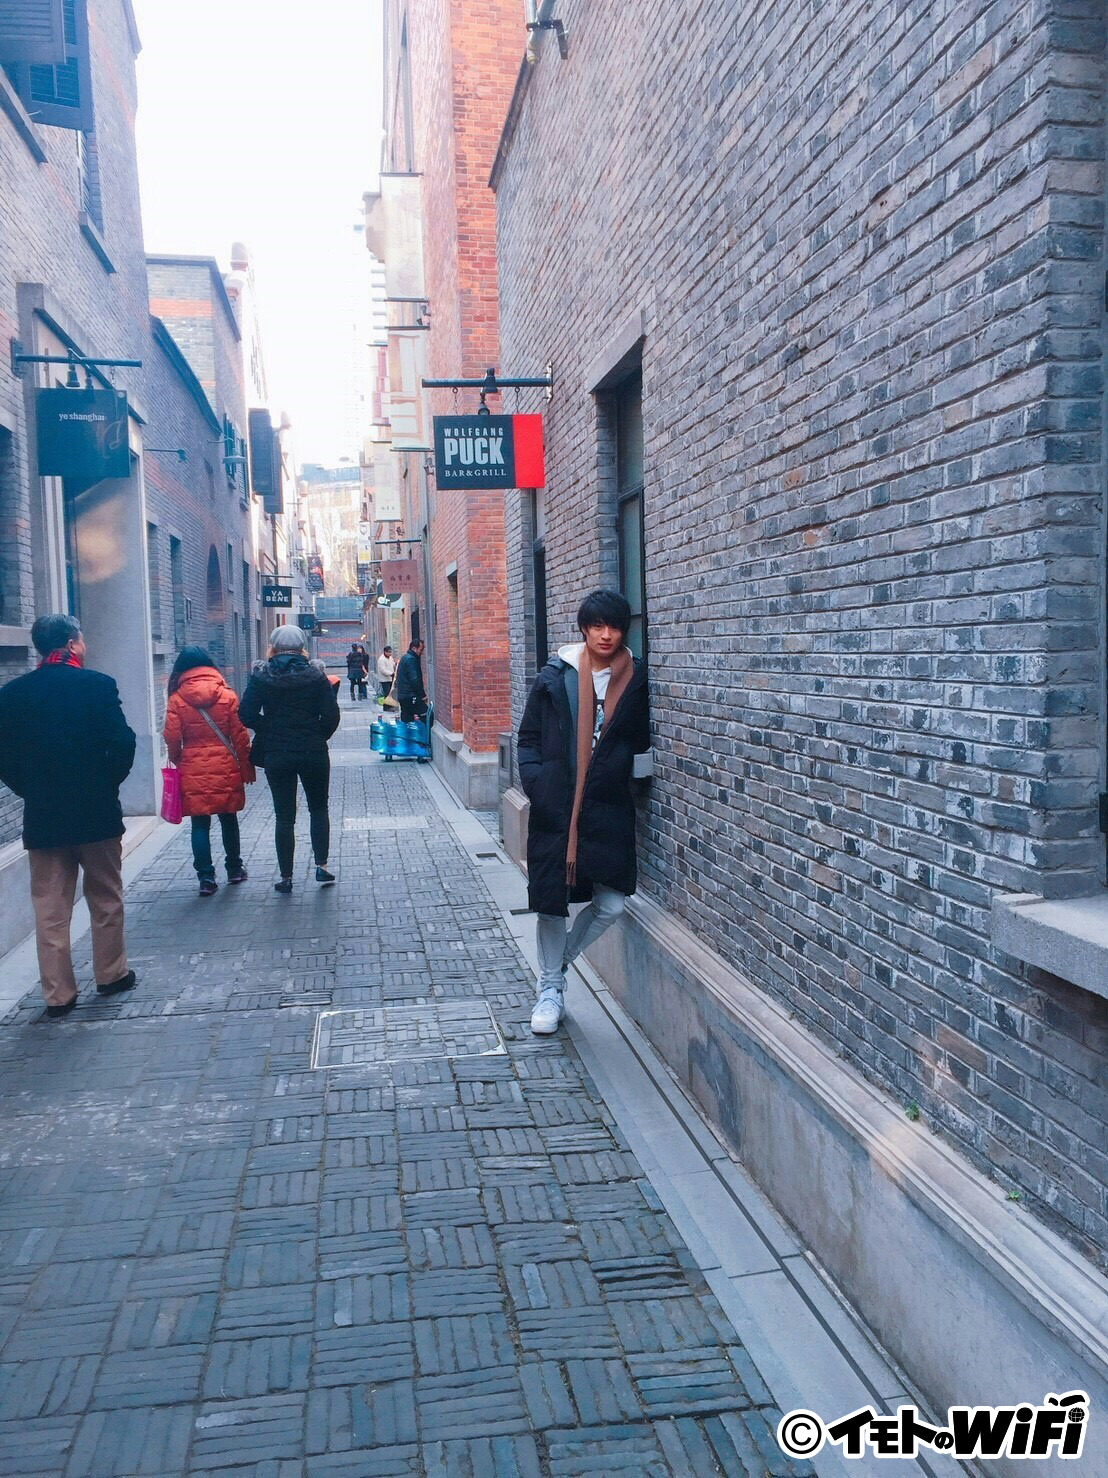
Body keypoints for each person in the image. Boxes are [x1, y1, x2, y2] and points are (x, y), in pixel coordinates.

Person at [516, 590, 649, 1035]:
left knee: (611, 903)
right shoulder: (557, 675)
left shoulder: (635, 679)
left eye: (613, 627)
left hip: (606, 807)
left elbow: (639, 739)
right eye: (596, 626)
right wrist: (537, 783)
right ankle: (550, 992)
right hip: (556, 806)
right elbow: (528, 737)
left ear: (623, 630)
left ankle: (556, 969)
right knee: (552, 905)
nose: (605, 634)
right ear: (584, 630)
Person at [0, 613, 137, 1017]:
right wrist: (107, 783)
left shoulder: (13, 694)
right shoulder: (97, 685)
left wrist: (30, 789)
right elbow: (123, 742)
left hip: (44, 815)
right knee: (106, 896)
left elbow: (5, 758)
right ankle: (111, 975)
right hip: (96, 811)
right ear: (73, 643)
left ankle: (58, 995)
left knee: (50, 908)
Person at [239, 624, 341, 893]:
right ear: (302, 648)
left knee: (284, 816)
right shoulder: (316, 676)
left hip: (278, 752)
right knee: (318, 808)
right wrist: (317, 734)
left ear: (272, 647)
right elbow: (331, 715)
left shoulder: (262, 676)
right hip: (313, 751)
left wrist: (269, 728)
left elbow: (246, 713)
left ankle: (286, 876)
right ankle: (322, 865)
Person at [163, 647, 255, 897]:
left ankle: (206, 878)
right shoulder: (227, 695)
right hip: (225, 764)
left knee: (199, 823)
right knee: (228, 818)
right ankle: (234, 869)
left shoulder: (177, 699)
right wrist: (246, 767)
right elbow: (240, 736)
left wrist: (177, 758)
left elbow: (171, 736)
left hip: (192, 766)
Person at [394, 638, 428, 723]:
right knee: (427, 715)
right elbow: (414, 679)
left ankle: (407, 730)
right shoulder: (411, 659)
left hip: (404, 695)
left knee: (407, 719)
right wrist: (422, 695)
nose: (422, 653)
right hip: (410, 696)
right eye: (421, 650)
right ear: (414, 648)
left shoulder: (405, 658)